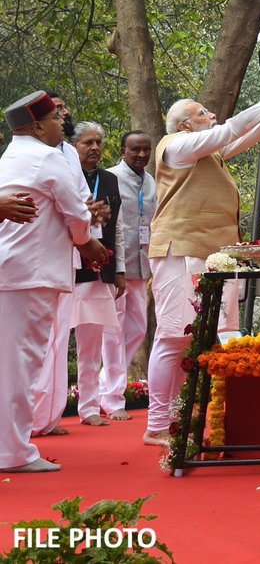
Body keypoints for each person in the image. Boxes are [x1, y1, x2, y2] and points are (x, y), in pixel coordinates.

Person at [143, 76, 260, 446]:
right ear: (185, 125)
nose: (212, 116)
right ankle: (157, 425)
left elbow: (245, 136)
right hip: (180, 252)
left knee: (204, 337)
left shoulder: (207, 154)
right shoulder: (175, 147)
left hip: (208, 255)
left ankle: (182, 417)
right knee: (173, 337)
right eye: (204, 113)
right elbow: (230, 130)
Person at [0, 92, 107, 472]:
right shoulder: (48, 157)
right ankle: (13, 452)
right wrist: (88, 242)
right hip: (32, 275)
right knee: (22, 365)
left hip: (13, 271)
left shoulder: (10, 157)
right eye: (54, 118)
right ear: (35, 126)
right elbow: (77, 217)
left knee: (9, 363)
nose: (62, 123)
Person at [31, 92, 109, 439]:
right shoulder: (30, 155)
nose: (62, 115)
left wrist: (91, 219)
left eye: (64, 110)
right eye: (56, 111)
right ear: (38, 122)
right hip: (33, 259)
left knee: (58, 340)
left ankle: (48, 416)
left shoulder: (66, 156)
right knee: (33, 343)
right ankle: (28, 420)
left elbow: (81, 202)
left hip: (67, 257)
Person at [70, 122, 125, 427]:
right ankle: (43, 414)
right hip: (65, 269)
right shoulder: (64, 176)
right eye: (86, 142)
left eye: (98, 142)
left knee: (91, 344)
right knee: (50, 346)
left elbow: (117, 227)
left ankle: (89, 408)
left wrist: (119, 271)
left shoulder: (109, 180)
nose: (94, 148)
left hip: (98, 271)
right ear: (73, 146)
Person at [98, 130, 155, 421]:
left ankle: (103, 383)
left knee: (137, 329)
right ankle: (112, 398)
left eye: (146, 149)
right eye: (135, 150)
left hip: (142, 267)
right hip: (116, 268)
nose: (142, 155)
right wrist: (112, 267)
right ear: (122, 152)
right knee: (113, 331)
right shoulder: (110, 178)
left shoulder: (151, 181)